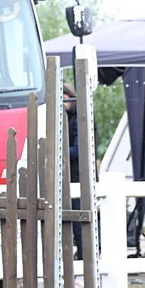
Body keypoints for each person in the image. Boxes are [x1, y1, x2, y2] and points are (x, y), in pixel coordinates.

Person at [63, 83, 84, 260]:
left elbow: (79, 150)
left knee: (80, 222)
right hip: (68, 177)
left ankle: (85, 257)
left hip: (78, 177)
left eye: (64, 99)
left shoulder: (79, 119)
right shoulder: (68, 118)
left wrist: (56, 151)